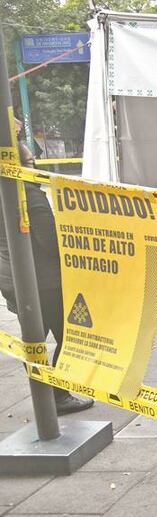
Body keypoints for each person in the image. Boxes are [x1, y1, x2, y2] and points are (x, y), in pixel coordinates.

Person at [0, 123, 94, 415]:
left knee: (34, 339)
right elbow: (50, 242)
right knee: (68, 336)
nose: (36, 166)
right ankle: (58, 395)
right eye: (31, 163)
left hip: (12, 278)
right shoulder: (31, 196)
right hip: (44, 282)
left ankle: (46, 398)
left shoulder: (6, 193)